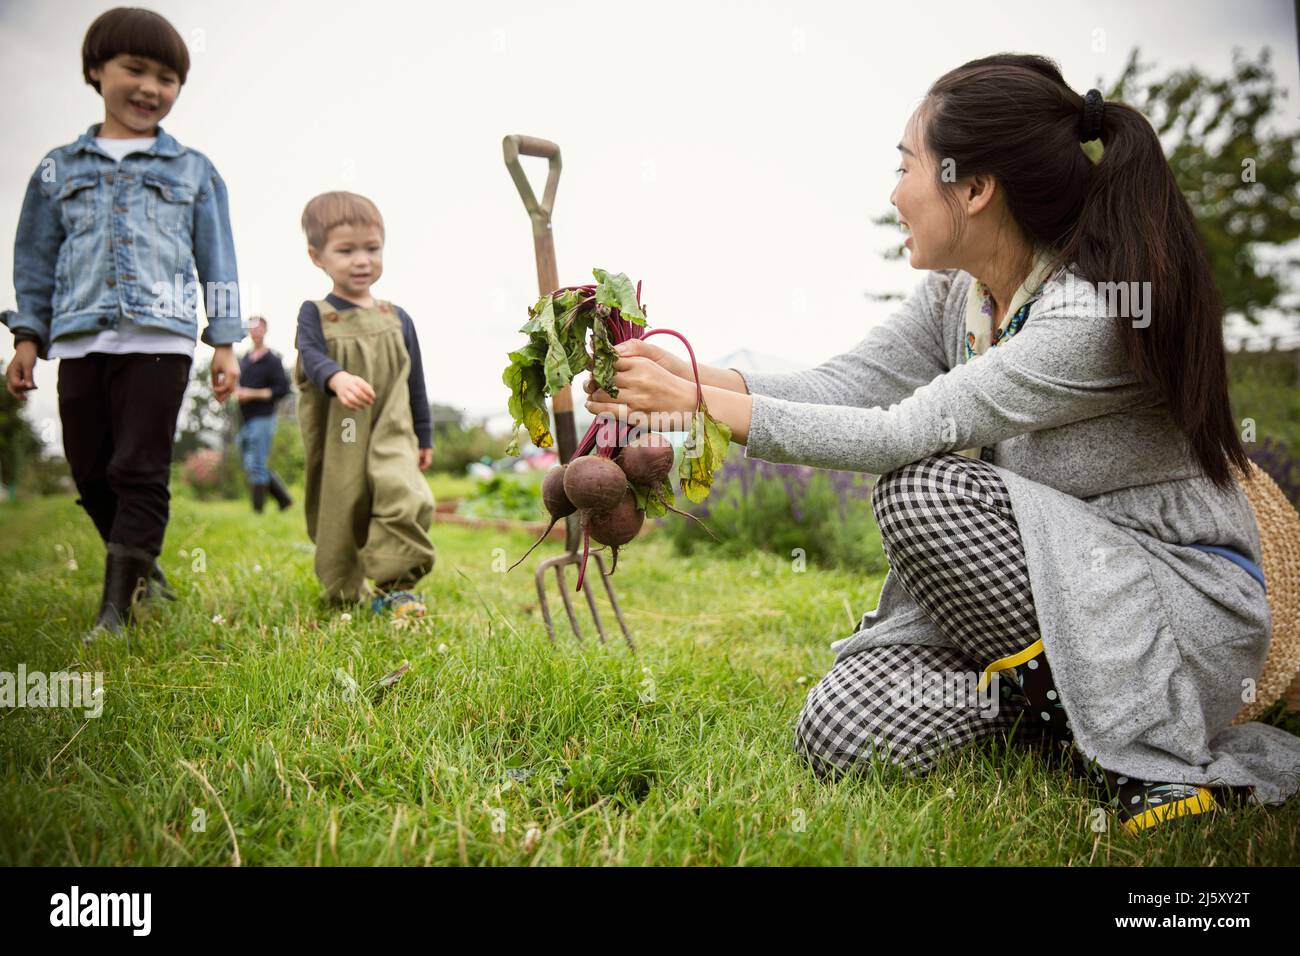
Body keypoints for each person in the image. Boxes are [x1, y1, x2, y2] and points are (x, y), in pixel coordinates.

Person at [585, 53, 1300, 834]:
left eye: (905, 166)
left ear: (974, 188)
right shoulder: (959, 295)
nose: (894, 194)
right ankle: (1060, 720)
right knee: (841, 734)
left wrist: (696, 407)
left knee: (921, 490)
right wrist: (681, 375)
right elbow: (844, 385)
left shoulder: (1089, 318)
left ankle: (1134, 749)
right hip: (1042, 601)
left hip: (1166, 616)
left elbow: (901, 434)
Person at [3, 7, 242, 640]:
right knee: (90, 470)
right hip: (80, 337)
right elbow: (34, 257)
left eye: (166, 78)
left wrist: (223, 341)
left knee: (138, 468)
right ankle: (140, 569)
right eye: (134, 69)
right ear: (95, 70)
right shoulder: (59, 168)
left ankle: (118, 609)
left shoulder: (193, 171)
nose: (150, 88)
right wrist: (28, 335)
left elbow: (217, 258)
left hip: (161, 339)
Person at [294, 191, 435, 618]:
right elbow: (310, 357)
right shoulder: (315, 313)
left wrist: (424, 435)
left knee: (404, 495)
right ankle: (342, 591)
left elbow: (416, 380)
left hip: (393, 427)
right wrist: (336, 377)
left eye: (372, 249)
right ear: (317, 256)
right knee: (341, 507)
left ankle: (397, 587)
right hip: (343, 433)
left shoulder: (398, 317)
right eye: (346, 250)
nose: (361, 260)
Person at [236, 315, 292, 512]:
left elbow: (283, 389)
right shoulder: (244, 360)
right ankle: (284, 499)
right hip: (245, 419)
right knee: (250, 463)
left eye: (258, 328)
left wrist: (252, 394)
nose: (255, 332)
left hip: (264, 417)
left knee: (257, 464)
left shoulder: (272, 360)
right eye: (252, 328)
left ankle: (257, 512)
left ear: (265, 331)